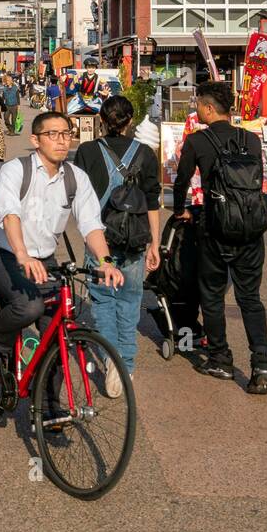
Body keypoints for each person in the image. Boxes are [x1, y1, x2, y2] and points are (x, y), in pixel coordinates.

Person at [0, 111, 124, 386]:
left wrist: (105, 261)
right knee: (29, 307)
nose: (61, 141)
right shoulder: (16, 170)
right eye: (52, 134)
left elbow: (91, 224)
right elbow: (9, 215)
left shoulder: (76, 177)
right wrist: (22, 255)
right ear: (35, 139)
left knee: (58, 332)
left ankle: (49, 412)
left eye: (66, 134)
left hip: (45, 258)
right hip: (6, 253)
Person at [173, 80, 267, 395]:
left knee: (212, 296)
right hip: (251, 229)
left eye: (198, 105)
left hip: (215, 229)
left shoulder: (197, 141)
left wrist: (181, 211)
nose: (196, 109)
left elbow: (181, 181)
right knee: (250, 298)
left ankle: (221, 358)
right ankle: (261, 365)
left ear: (210, 108)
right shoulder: (251, 139)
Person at [74, 96, 161, 392]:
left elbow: (78, 195)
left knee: (102, 302)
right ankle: (127, 365)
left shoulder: (86, 151)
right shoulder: (146, 154)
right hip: (136, 239)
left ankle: (111, 360)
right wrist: (155, 242)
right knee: (129, 301)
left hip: (100, 237)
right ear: (130, 122)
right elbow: (152, 200)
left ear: (102, 120)